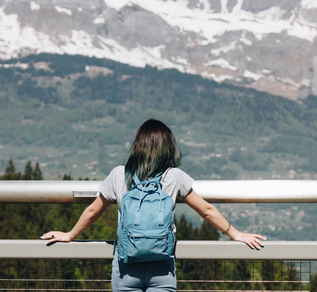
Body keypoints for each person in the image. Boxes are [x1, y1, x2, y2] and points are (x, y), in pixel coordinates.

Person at [41, 118, 266, 291]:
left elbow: (92, 211)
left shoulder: (120, 175)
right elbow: (206, 210)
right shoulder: (174, 176)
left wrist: (70, 235)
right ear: (168, 147)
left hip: (126, 265)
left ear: (138, 145)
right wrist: (234, 233)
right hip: (162, 264)